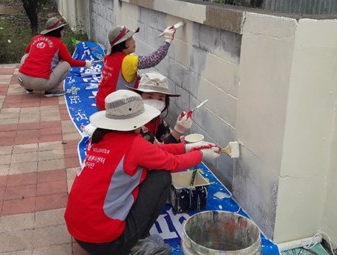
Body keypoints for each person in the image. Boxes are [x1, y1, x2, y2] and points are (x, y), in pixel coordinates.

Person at [64, 89, 220, 255]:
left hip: (79, 232)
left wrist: (187, 147)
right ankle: (134, 244)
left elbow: (156, 150)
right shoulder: (133, 144)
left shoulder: (101, 138)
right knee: (161, 176)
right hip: (106, 242)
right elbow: (172, 163)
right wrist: (201, 155)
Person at [95, 24, 176, 110]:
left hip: (101, 101)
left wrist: (138, 77)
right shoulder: (127, 60)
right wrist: (167, 40)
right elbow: (152, 60)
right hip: (114, 108)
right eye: (130, 39)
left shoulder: (109, 57)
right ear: (122, 43)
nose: (134, 41)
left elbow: (117, 76)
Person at [17, 17, 92, 97]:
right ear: (58, 31)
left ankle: (29, 88)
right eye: (62, 30)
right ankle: (51, 90)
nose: (63, 32)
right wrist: (85, 63)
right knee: (66, 65)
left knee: (26, 56)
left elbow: (27, 51)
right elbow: (71, 62)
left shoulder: (36, 38)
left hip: (22, 80)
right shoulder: (59, 44)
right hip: (40, 83)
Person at [129, 71, 192, 144]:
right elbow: (159, 152)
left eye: (160, 99)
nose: (155, 102)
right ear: (139, 97)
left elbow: (167, 136)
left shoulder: (157, 120)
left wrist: (179, 127)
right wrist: (178, 130)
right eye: (150, 97)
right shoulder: (136, 125)